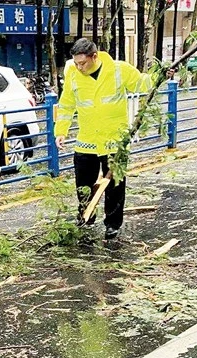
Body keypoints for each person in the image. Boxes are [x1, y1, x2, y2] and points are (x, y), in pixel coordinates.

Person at [54, 38, 163, 240]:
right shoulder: (73, 74)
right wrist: (61, 131)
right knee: (83, 185)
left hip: (115, 141)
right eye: (76, 63)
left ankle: (112, 224)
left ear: (94, 57)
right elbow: (67, 104)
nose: (79, 67)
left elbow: (142, 83)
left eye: (82, 63)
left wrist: (161, 73)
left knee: (115, 185)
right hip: (86, 140)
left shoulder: (119, 70)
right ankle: (86, 216)